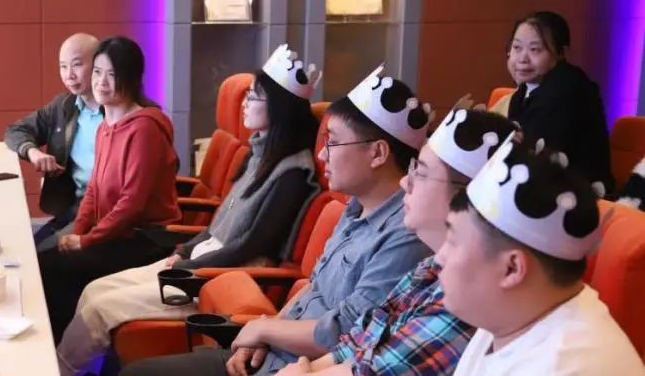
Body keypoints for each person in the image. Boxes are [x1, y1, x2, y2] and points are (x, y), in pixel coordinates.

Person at [121, 65, 433, 376]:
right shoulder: (353, 209)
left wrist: (264, 330)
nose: (322, 155)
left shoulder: (405, 236)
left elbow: (346, 332)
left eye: (333, 142)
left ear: (378, 153)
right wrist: (268, 331)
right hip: (270, 354)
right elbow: (312, 287)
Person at [56, 45, 322, 375]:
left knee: (100, 308)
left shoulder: (292, 172)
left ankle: (59, 369)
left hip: (218, 275)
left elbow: (251, 245)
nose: (244, 103)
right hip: (201, 259)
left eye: (253, 97)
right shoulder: (258, 155)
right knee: (94, 290)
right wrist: (184, 250)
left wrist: (189, 265)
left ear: (279, 108)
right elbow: (219, 224)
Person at [280, 108, 518, 376]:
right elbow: (355, 342)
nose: (405, 182)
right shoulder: (430, 266)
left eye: (421, 173)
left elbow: (371, 369)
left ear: (468, 199)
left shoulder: (470, 298)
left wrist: (299, 369)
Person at [436, 137, 642, 375]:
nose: (440, 257)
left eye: (453, 242)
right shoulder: (513, 316)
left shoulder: (569, 366)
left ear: (512, 268)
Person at [38, 36, 182, 343]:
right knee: (48, 259)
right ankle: (60, 344)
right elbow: (93, 189)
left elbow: (132, 203)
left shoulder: (145, 128)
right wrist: (79, 231)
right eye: (97, 72)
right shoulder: (105, 126)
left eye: (112, 74)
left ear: (131, 79)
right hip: (114, 234)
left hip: (143, 240)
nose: (101, 82)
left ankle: (60, 350)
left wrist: (87, 240)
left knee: (51, 269)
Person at [5, 33, 102, 250]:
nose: (69, 75)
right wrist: (33, 152)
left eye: (77, 65)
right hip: (74, 207)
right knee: (27, 250)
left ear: (99, 65)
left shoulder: (119, 112)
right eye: (63, 66)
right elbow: (15, 131)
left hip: (103, 212)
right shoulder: (63, 106)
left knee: (39, 256)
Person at [504, 11, 614, 195]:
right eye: (517, 47)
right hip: (541, 187)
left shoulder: (567, 89)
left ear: (561, 53)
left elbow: (530, 155)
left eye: (535, 49)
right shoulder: (523, 91)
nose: (522, 58)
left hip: (579, 197)